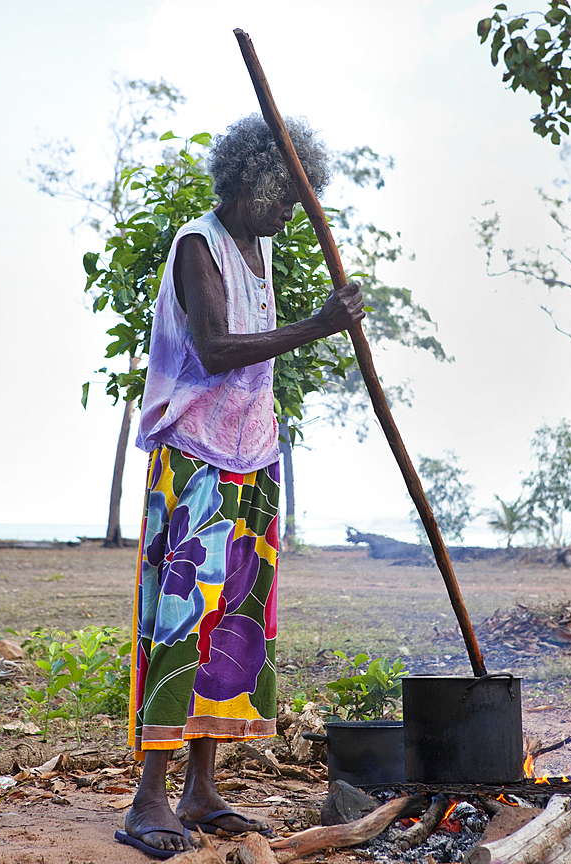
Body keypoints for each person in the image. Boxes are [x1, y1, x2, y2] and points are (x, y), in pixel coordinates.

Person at [116, 114, 365, 858]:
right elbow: (217, 349)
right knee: (181, 624)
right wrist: (321, 324)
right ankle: (147, 799)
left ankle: (201, 789)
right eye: (286, 195)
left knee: (235, 631)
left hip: (253, 458)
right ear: (253, 182)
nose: (292, 211)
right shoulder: (200, 244)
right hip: (194, 457)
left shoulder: (256, 247)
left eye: (300, 197)